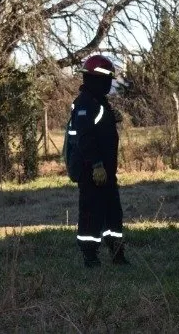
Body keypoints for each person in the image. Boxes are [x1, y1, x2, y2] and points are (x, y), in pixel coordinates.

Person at [68, 55, 128, 267]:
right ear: (97, 78)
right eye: (107, 79)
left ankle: (117, 254)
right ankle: (90, 256)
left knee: (113, 212)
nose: (109, 84)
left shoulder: (98, 102)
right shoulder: (85, 104)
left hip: (106, 171)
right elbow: (85, 138)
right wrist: (96, 165)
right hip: (91, 171)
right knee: (91, 214)